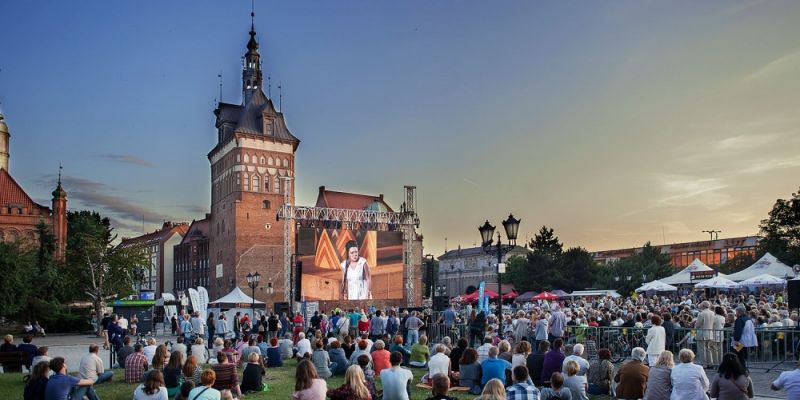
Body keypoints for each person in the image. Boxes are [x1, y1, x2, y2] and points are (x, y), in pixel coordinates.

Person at [732, 305, 757, 371]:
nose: (735, 313)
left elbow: (738, 331)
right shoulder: (748, 318)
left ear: (739, 312)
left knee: (738, 355)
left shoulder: (739, 320)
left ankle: (742, 369)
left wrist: (736, 339)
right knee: (741, 355)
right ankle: (743, 368)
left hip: (740, 341)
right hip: (747, 340)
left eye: (736, 312)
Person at [694, 301, 715, 368]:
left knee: (702, 349)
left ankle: (704, 364)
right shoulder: (712, 313)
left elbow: (697, 325)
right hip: (709, 333)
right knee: (708, 349)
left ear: (703, 306)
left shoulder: (701, 314)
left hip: (702, 333)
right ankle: (710, 363)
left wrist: (694, 324)